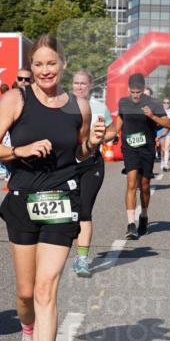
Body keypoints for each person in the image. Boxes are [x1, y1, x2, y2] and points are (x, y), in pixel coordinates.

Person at [0, 34, 105, 341]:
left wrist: (95, 143)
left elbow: (81, 152)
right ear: (31, 68)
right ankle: (27, 333)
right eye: (38, 64)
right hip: (22, 199)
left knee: (46, 288)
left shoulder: (79, 106)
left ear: (63, 65)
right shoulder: (15, 100)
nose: (45, 70)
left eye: (51, 63)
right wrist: (19, 150)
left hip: (61, 203)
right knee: (25, 292)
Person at [112, 73, 170, 240]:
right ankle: (131, 224)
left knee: (144, 186)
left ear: (143, 89)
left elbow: (168, 124)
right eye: (133, 92)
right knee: (131, 182)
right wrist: (111, 134)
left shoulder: (153, 103)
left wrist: (152, 116)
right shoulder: (123, 102)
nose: (135, 95)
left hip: (147, 148)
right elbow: (118, 123)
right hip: (129, 147)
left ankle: (143, 215)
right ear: (129, 90)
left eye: (138, 92)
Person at [71, 69, 116, 278]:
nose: (79, 86)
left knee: (84, 210)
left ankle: (82, 259)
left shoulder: (99, 107)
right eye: (76, 83)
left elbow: (111, 131)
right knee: (67, 212)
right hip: (67, 165)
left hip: (91, 164)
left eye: (83, 83)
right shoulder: (63, 106)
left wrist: (105, 136)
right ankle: (66, 251)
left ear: (90, 86)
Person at [156, 96, 170, 174]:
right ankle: (162, 161)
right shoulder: (159, 111)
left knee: (167, 147)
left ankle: (166, 164)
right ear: (162, 103)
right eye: (164, 102)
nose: (166, 104)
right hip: (161, 129)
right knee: (162, 148)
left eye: (167, 103)